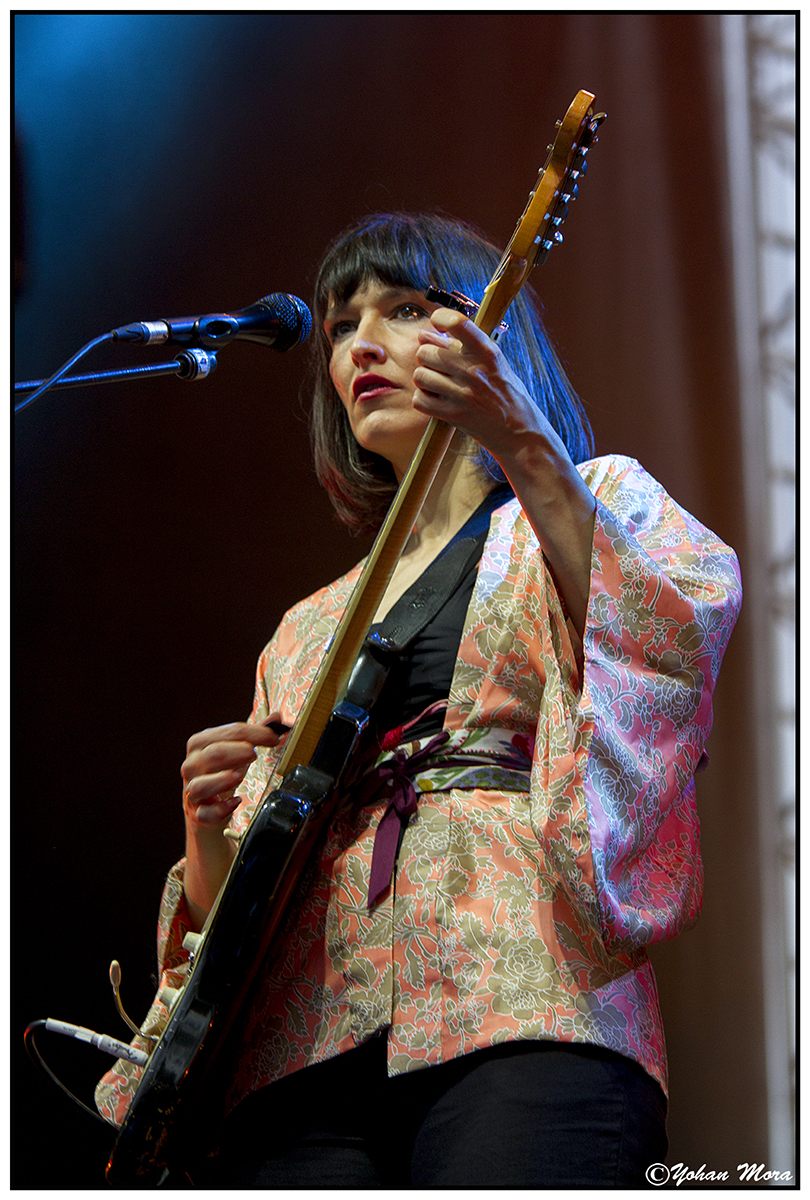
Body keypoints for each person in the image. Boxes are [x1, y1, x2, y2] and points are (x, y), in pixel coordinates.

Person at [96, 212, 742, 1186]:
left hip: (523, 1003)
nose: (362, 343)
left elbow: (667, 638)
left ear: (490, 335)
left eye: (402, 309)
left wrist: (520, 439)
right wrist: (207, 835)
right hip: (304, 1047)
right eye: (340, 324)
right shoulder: (307, 627)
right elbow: (242, 902)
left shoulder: (595, 498)